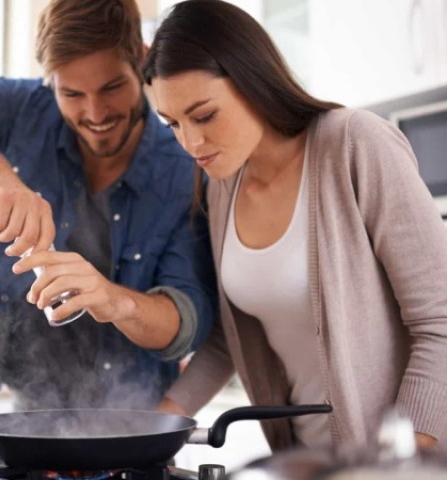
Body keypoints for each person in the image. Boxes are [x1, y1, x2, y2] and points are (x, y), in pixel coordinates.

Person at [0, 0, 216, 419]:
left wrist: (113, 301)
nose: (94, 114)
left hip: (134, 433)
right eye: (72, 93)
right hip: (16, 414)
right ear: (50, 84)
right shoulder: (28, 110)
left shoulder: (185, 168)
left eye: (112, 87)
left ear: (142, 61)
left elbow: (186, 321)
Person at [143, 0, 447, 452]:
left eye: (204, 116)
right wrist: (152, 427)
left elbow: (439, 322)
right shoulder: (223, 186)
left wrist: (402, 460)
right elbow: (232, 337)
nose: (190, 142)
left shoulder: (355, 145)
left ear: (252, 79)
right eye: (172, 124)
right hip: (304, 459)